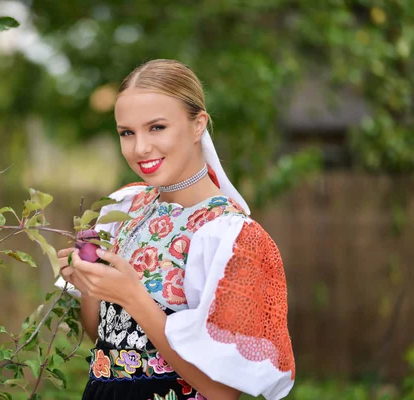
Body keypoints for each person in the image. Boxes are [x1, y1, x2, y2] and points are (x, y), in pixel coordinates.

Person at [56, 59, 295, 400]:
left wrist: (133, 296)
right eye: (127, 132)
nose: (140, 148)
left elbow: (222, 393)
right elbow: (105, 339)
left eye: (156, 128)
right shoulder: (122, 208)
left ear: (198, 124)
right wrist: (90, 282)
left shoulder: (230, 237)